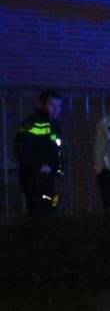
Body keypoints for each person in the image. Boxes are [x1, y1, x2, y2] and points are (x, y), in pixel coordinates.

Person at [13, 89, 64, 217]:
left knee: (50, 207)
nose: (56, 109)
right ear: (42, 104)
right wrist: (39, 166)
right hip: (34, 176)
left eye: (58, 106)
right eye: (52, 105)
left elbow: (55, 148)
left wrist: (58, 166)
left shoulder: (55, 125)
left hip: (48, 176)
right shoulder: (31, 123)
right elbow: (20, 148)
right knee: (39, 211)